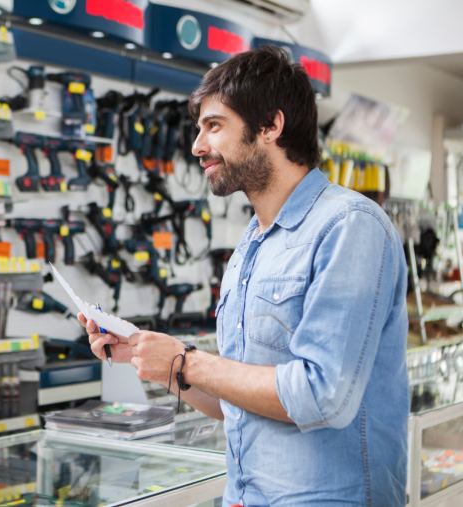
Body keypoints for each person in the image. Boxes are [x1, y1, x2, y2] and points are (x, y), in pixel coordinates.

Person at [77, 45, 409, 506]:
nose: (197, 146)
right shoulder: (252, 244)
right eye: (199, 129)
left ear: (271, 126)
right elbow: (237, 399)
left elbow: (321, 395)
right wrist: (150, 357)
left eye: (214, 126)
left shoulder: (350, 225)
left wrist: (187, 361)